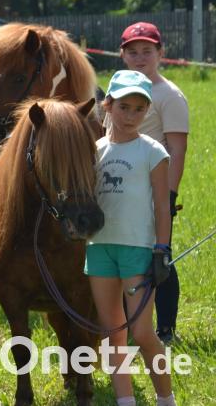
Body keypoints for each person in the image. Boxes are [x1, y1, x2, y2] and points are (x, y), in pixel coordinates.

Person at [89, 70, 176, 406]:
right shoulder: (94, 151)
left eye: (140, 109)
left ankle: (165, 398)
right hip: (99, 248)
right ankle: (126, 401)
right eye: (124, 107)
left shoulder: (153, 151)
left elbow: (162, 208)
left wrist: (161, 251)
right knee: (113, 332)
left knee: (141, 332)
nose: (131, 116)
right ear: (108, 105)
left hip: (138, 250)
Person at [110, 22, 189, 345]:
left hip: (151, 189)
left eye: (147, 51)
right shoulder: (117, 90)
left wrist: (167, 197)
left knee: (158, 256)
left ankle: (166, 328)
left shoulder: (168, 95)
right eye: (133, 51)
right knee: (124, 254)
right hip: (118, 190)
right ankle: (124, 324)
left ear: (161, 53)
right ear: (122, 55)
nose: (139, 57)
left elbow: (177, 148)